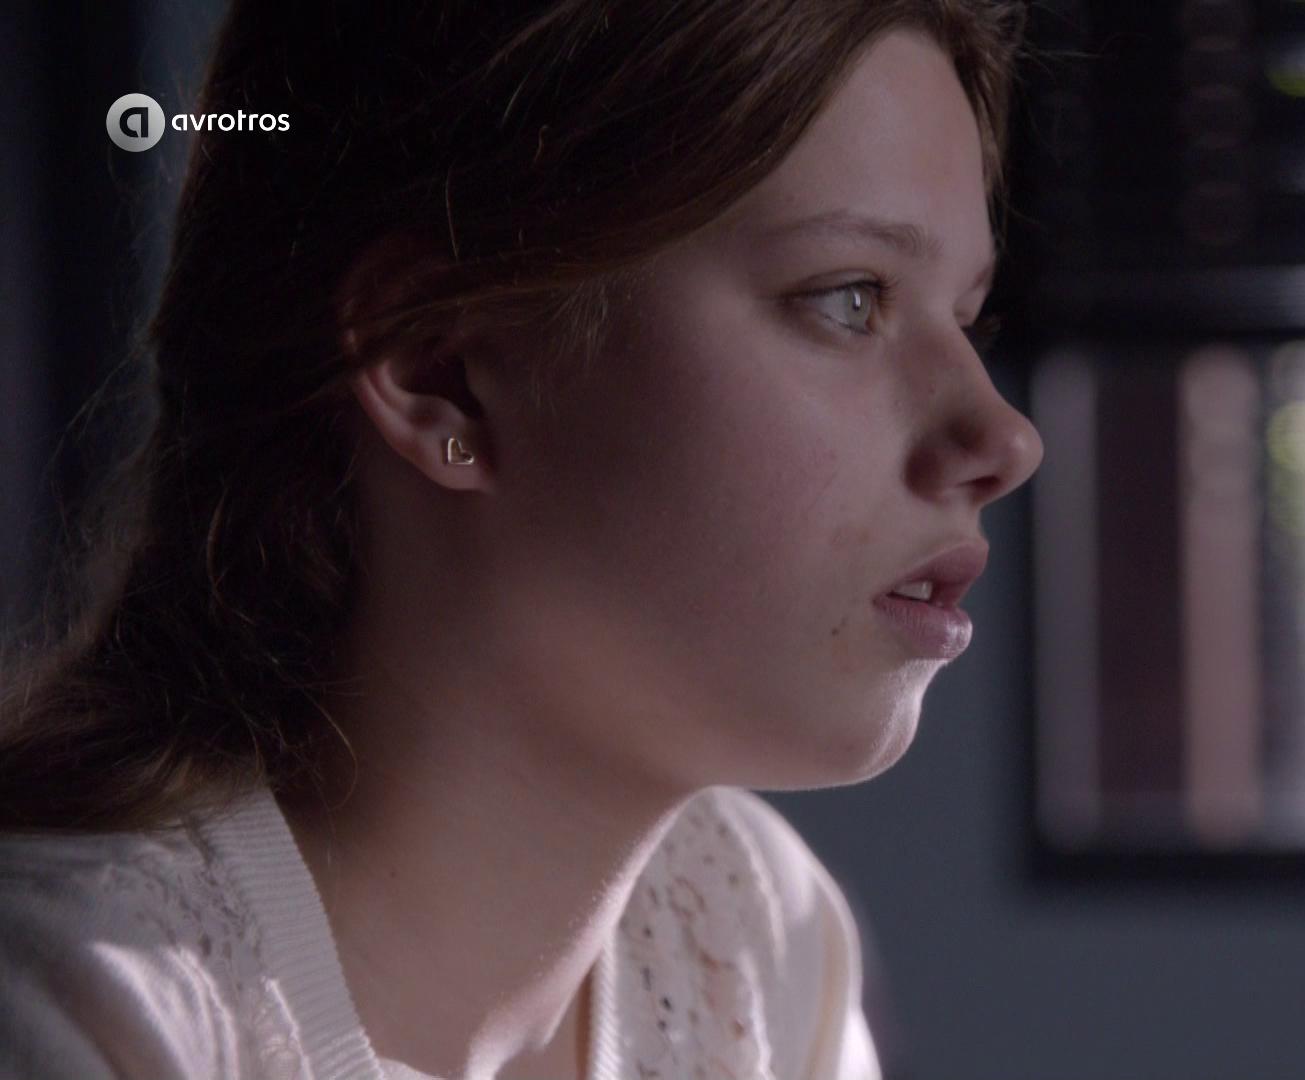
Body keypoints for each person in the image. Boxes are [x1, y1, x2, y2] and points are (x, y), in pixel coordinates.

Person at [0, 2, 1043, 1078]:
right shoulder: (80, 1014)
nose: (1004, 439)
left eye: (965, 320)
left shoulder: (752, 938)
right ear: (439, 371)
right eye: (851, 299)